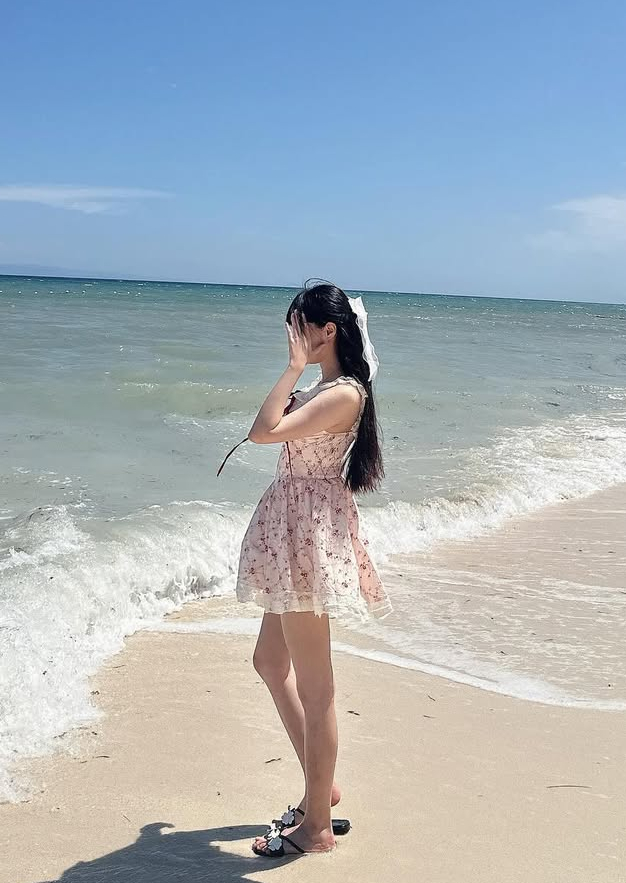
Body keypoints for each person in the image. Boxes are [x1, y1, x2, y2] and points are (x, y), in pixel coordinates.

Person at [217, 280, 392, 858]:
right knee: (270, 662)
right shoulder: (325, 388)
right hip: (292, 531)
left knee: (319, 690)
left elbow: (262, 432)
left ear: (328, 330)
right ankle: (324, 789)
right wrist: (297, 372)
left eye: (299, 327)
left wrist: (292, 368)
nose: (292, 337)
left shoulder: (345, 394)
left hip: (309, 540)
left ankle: (316, 827)